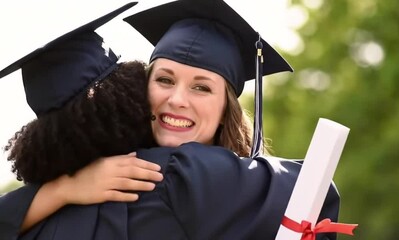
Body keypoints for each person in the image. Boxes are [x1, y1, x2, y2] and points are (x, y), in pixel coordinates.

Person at [0, 0, 344, 239]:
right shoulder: (174, 176)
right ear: (137, 88)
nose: (177, 100)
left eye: (201, 87)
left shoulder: (44, 214)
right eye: (164, 80)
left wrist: (61, 190)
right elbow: (313, 190)